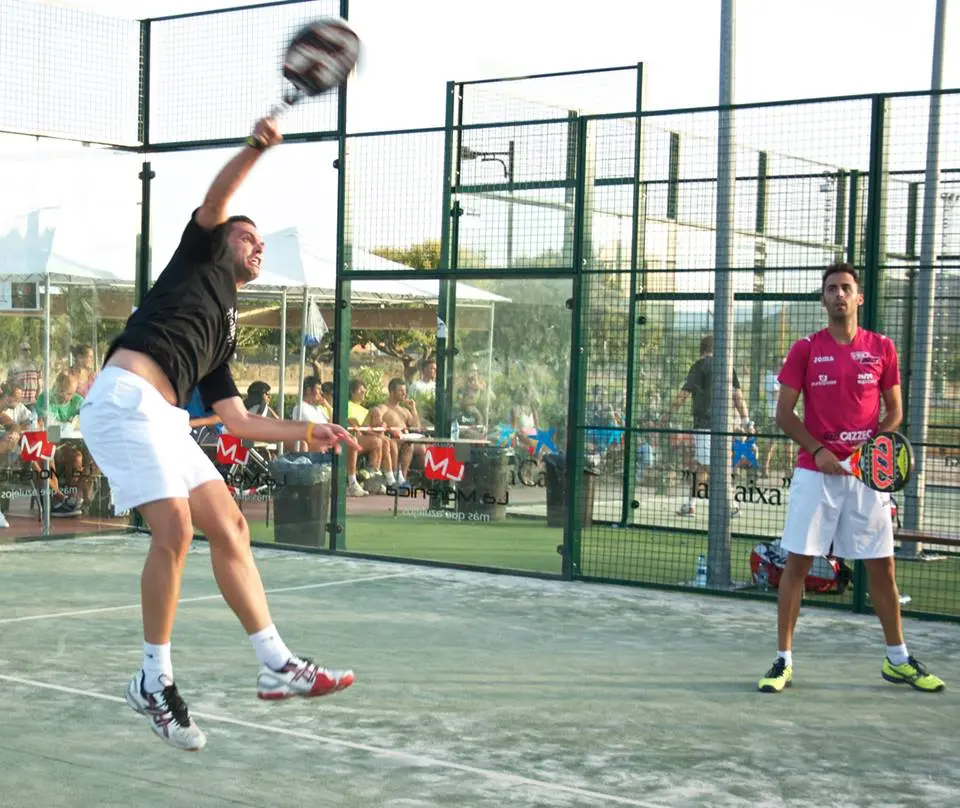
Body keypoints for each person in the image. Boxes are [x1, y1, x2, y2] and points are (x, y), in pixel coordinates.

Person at [78, 115, 362, 752]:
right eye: (248, 237)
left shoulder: (227, 329)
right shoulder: (197, 255)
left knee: (230, 525)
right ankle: (155, 681)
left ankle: (276, 663)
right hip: (122, 401)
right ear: (223, 240)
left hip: (165, 417)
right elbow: (218, 200)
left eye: (261, 245)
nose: (256, 247)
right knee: (176, 528)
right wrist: (257, 147)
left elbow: (235, 419)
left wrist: (303, 431)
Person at [757, 262, 945, 695]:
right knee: (797, 565)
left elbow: (895, 411)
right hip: (814, 474)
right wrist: (819, 450)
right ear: (823, 300)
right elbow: (784, 414)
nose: (839, 295)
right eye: (831, 289)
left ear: (859, 297)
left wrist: (873, 451)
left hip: (866, 479)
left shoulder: (882, 348)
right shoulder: (805, 349)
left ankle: (897, 659)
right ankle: (782, 661)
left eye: (846, 288)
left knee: (883, 568)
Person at [663, 334, 751, 517]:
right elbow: (738, 397)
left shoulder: (698, 366)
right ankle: (692, 504)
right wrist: (746, 421)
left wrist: (667, 415)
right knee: (706, 465)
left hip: (704, 424)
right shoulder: (727, 367)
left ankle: (730, 506)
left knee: (706, 466)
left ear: (701, 349)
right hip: (724, 426)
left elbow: (683, 395)